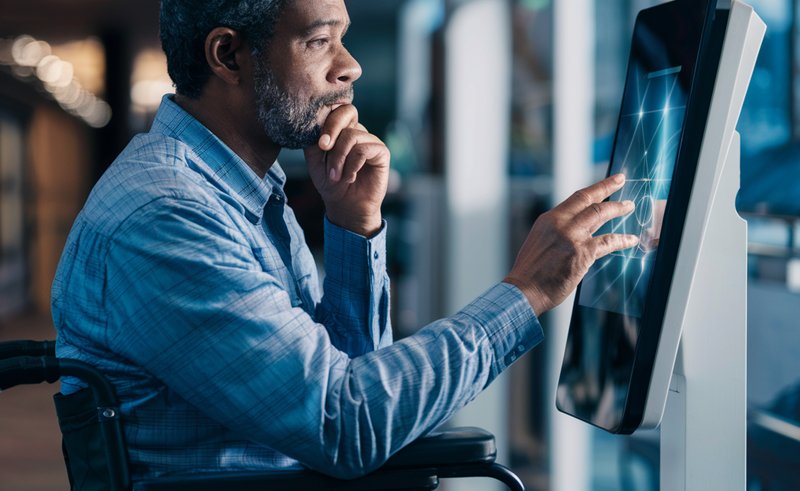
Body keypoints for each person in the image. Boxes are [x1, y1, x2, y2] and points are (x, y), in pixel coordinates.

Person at [52, 0, 639, 482]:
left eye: (344, 38)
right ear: (228, 54)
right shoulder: (167, 216)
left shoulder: (243, 192)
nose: (350, 66)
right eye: (319, 41)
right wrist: (526, 292)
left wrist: (353, 228)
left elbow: (348, 381)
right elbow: (345, 424)